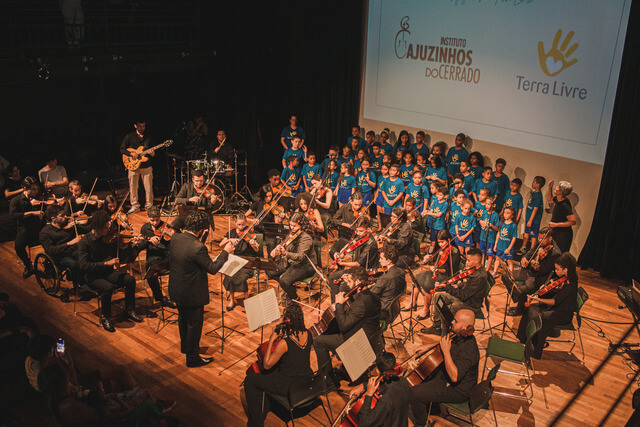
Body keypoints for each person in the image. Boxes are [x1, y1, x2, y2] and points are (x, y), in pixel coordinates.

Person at [168, 210, 235, 367]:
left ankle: (185, 347)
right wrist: (225, 252)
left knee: (182, 318)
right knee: (194, 325)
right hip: (192, 293)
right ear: (202, 230)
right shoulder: (198, 247)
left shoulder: (176, 238)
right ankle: (192, 358)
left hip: (177, 288)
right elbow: (212, 268)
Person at [242, 302, 313, 426]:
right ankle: (267, 405)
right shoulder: (309, 334)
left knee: (250, 380)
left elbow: (267, 364)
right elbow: (295, 357)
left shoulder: (284, 344)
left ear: (289, 320)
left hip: (288, 386)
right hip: (304, 381)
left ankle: (255, 422)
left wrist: (271, 340)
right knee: (272, 373)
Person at [313, 267, 381, 390]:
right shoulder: (372, 296)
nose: (348, 284)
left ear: (359, 283)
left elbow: (344, 326)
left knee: (318, 341)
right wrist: (346, 281)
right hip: (369, 335)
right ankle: (345, 370)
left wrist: (339, 305)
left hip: (357, 341)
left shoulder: (361, 303)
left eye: (349, 282)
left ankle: (330, 382)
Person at [78, 210, 145, 332]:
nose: (109, 230)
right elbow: (83, 265)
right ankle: (106, 318)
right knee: (108, 287)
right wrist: (105, 263)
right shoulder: (85, 242)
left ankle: (129, 310)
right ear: (97, 228)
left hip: (107, 273)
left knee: (129, 279)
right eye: (106, 228)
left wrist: (132, 245)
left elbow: (121, 256)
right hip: (92, 276)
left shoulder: (108, 238)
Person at [409, 309, 479, 427]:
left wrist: (446, 352)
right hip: (446, 377)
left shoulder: (468, 350)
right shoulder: (460, 334)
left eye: (455, 321)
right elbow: (447, 341)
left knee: (414, 394)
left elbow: (455, 377)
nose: (452, 322)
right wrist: (428, 346)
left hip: (458, 390)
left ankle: (422, 424)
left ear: (466, 326)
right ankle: (433, 407)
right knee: (424, 375)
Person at [516, 252, 578, 359]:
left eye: (558, 269)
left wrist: (538, 299)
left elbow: (555, 301)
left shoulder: (571, 284)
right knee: (530, 308)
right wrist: (548, 287)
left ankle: (535, 350)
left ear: (566, 270)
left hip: (563, 314)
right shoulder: (564, 278)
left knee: (541, 318)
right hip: (556, 308)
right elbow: (556, 293)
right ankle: (522, 339)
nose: (555, 271)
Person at [422, 248, 487, 336]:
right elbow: (467, 284)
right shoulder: (476, 269)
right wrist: (457, 286)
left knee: (446, 310)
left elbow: (463, 296)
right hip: (466, 298)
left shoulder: (480, 277)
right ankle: (436, 327)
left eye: (468, 260)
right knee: (438, 296)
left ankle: (445, 335)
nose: (466, 263)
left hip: (470, 304)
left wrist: (447, 287)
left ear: (476, 261)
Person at [503, 227, 561, 316]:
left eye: (542, 238)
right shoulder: (540, 243)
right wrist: (524, 258)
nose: (540, 240)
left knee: (522, 290)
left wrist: (535, 265)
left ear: (550, 238)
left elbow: (545, 270)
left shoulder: (555, 253)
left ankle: (519, 309)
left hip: (539, 278)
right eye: (539, 238)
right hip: (530, 271)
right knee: (505, 276)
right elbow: (531, 252)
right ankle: (519, 299)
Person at [407, 230, 461, 320]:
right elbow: (435, 258)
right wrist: (429, 258)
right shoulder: (441, 249)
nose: (440, 244)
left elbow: (450, 271)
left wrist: (437, 269)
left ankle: (426, 310)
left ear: (448, 240)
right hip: (436, 273)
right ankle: (412, 303)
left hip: (446, 277)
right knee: (416, 281)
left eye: (442, 242)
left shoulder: (454, 252)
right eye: (439, 242)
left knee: (426, 287)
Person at [348, 351, 411, 427]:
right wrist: (364, 386)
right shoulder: (403, 381)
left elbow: (364, 423)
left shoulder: (385, 400)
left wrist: (369, 394)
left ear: (377, 371)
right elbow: (384, 384)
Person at [266, 212, 316, 306]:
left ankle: (295, 297)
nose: (292, 228)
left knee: (284, 280)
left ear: (301, 226)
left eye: (295, 226)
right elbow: (284, 243)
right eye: (290, 225)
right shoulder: (293, 233)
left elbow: (301, 257)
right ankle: (290, 288)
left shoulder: (306, 238)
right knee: (270, 271)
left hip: (306, 266)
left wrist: (286, 253)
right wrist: (277, 248)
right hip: (292, 262)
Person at [329, 217, 379, 301]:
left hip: (364, 272)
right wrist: (341, 252)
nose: (358, 233)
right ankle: (335, 303)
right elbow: (351, 243)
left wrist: (342, 264)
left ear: (368, 230)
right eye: (357, 231)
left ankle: (341, 304)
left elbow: (358, 263)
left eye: (361, 231)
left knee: (342, 286)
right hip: (357, 269)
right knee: (332, 277)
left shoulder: (371, 244)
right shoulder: (360, 237)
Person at [219, 213, 260, 311]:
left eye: (243, 225)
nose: (242, 227)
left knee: (241, 278)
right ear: (235, 223)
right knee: (229, 275)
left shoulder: (250, 234)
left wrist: (253, 244)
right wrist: (230, 240)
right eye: (239, 225)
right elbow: (221, 244)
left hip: (248, 261)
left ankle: (246, 300)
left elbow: (257, 250)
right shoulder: (232, 233)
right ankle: (232, 300)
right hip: (236, 259)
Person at [138, 206, 175, 308]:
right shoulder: (145, 228)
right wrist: (147, 240)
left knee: (177, 268)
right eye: (152, 220)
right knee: (150, 270)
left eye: (157, 220)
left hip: (165, 255)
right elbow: (141, 246)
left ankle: (174, 296)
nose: (155, 223)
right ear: (147, 218)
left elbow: (170, 246)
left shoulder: (166, 226)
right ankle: (159, 297)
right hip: (153, 256)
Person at [39, 205, 83, 287]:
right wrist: (69, 243)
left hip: (71, 251)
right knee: (73, 263)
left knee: (85, 255)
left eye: (65, 214)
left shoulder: (66, 225)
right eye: (62, 216)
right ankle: (77, 285)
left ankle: (86, 280)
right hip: (58, 256)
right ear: (53, 219)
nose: (66, 217)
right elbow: (50, 250)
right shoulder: (45, 233)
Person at [10, 177, 45, 277]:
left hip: (40, 226)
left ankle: (50, 265)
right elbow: (13, 216)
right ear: (25, 188)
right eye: (33, 189)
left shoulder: (38, 198)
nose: (37, 191)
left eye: (37, 189)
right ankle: (27, 265)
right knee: (18, 247)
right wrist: (32, 213)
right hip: (26, 227)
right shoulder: (16, 200)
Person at [120, 119, 154, 214]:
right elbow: (122, 149)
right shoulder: (129, 136)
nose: (142, 128)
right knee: (133, 186)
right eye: (139, 126)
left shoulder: (148, 136)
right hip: (133, 165)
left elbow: (153, 152)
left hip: (146, 165)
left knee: (148, 187)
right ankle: (135, 205)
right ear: (135, 126)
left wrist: (152, 153)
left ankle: (149, 205)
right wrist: (132, 153)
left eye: (143, 126)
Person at [369, 244, 406, 321]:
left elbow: (371, 295)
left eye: (381, 258)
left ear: (388, 261)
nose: (379, 260)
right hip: (394, 309)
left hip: (383, 311)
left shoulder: (384, 278)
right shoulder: (401, 271)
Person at [518, 175, 546, 256]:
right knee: (526, 232)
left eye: (534, 182)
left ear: (538, 184)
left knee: (533, 235)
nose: (532, 183)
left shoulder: (538, 196)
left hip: (534, 220)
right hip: (528, 218)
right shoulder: (534, 193)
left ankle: (532, 251)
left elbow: (535, 209)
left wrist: (530, 220)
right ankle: (523, 247)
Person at [547, 180, 576, 253]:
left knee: (560, 254)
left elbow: (572, 221)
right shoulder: (557, 199)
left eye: (558, 187)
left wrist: (556, 224)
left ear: (561, 192)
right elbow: (550, 200)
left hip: (563, 235)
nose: (556, 188)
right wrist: (550, 188)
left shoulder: (565, 205)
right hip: (556, 232)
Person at [493, 206, 518, 275]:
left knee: (509, 261)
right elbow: (498, 234)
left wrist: (509, 248)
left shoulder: (513, 225)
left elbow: (514, 238)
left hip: (507, 247)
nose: (505, 214)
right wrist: (495, 245)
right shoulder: (502, 222)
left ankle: (510, 277)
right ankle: (494, 272)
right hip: (500, 246)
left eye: (508, 213)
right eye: (504, 213)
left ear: (512, 215)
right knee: (497, 258)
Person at [423, 185, 448, 253]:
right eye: (438, 194)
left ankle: (435, 253)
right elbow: (431, 210)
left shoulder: (445, 204)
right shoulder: (436, 201)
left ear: (445, 196)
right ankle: (430, 252)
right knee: (432, 239)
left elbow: (438, 215)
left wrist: (428, 213)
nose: (438, 196)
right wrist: (426, 211)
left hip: (440, 226)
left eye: (440, 195)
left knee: (439, 241)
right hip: (433, 225)